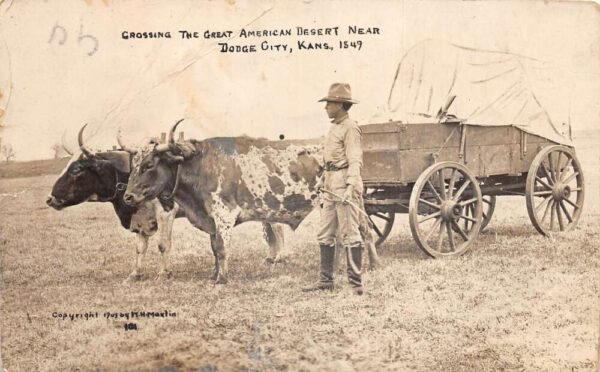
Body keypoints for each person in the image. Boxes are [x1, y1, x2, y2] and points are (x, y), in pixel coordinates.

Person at [303, 82, 364, 295]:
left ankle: (355, 285)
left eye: (329, 103)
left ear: (340, 104)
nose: (326, 107)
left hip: (344, 183)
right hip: (330, 184)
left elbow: (355, 160)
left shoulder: (350, 129)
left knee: (350, 233)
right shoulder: (334, 128)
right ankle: (325, 281)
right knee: (325, 233)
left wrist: (350, 186)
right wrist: (322, 180)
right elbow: (329, 159)